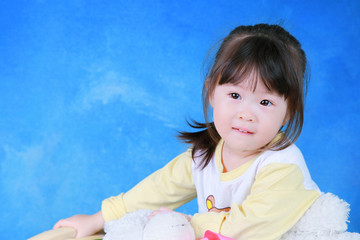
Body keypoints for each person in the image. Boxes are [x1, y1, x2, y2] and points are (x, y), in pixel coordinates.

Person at [54, 23, 320, 240]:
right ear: (212, 93)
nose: (246, 114)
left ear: (289, 111)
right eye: (235, 94)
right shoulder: (207, 154)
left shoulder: (283, 166)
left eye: (265, 102)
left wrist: (181, 225)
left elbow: (247, 229)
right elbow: (158, 190)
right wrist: (97, 220)